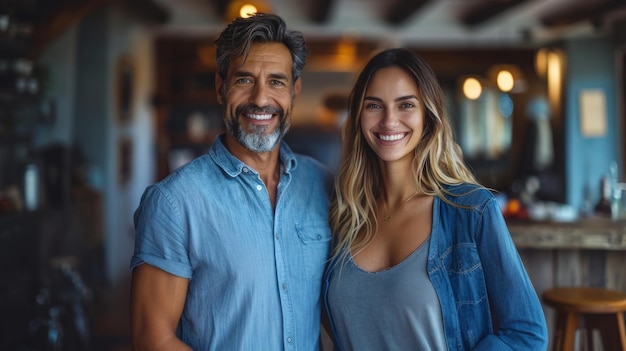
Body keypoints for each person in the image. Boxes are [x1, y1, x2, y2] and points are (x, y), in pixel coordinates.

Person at [130, 13, 333, 350]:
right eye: (244, 80)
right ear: (221, 88)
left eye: (277, 82)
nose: (260, 99)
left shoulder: (324, 185)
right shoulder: (173, 203)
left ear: (294, 91)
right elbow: (153, 340)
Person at [322, 48, 548, 350]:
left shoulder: (471, 210)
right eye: (374, 105)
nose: (389, 120)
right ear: (359, 116)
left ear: (428, 115)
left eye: (406, 105)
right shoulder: (344, 214)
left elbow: (527, 334)